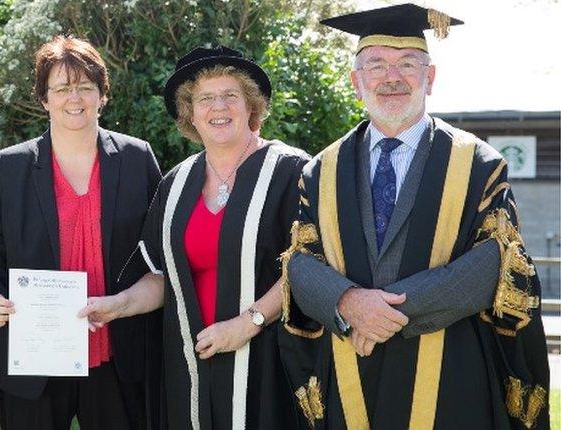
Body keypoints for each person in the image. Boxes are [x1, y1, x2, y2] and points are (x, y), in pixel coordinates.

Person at [280, 4, 551, 429]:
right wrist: (349, 303)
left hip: (448, 371)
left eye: (407, 63)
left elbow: (494, 265)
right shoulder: (320, 171)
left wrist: (385, 314)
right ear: (356, 82)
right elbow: (300, 261)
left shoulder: (478, 164)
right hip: (352, 368)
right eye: (376, 65)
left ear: (430, 77)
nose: (392, 77)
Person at [80, 45, 311, 429]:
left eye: (230, 96)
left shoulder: (290, 172)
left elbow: (307, 263)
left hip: (268, 360)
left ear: (251, 105)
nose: (218, 107)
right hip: (192, 361)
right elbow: (160, 275)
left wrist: (248, 322)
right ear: (190, 113)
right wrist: (118, 305)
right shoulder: (177, 183)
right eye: (205, 98)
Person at [0, 35, 162, 430]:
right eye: (61, 88)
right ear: (44, 98)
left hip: (118, 354)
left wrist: (125, 301)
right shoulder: (8, 168)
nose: (74, 98)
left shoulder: (137, 158)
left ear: (102, 95)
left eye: (85, 87)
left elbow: (159, 256)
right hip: (34, 358)